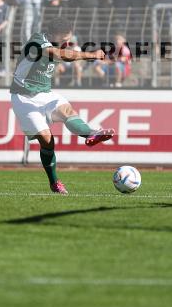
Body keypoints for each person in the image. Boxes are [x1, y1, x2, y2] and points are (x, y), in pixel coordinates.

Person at [10, 16, 115, 194]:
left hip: (45, 93)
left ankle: (92, 133)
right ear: (52, 35)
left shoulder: (60, 42)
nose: (67, 42)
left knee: (67, 111)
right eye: (64, 39)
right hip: (24, 98)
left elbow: (63, 55)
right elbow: (59, 55)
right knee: (47, 140)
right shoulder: (37, 42)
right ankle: (54, 182)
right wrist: (91, 55)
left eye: (68, 39)